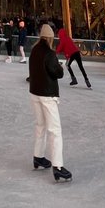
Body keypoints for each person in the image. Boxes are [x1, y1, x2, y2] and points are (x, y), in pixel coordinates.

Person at [28, 24, 72, 182]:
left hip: (34, 93)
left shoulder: (34, 51)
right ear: (50, 38)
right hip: (47, 95)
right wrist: (60, 67)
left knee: (40, 125)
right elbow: (57, 73)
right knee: (55, 130)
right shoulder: (50, 53)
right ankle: (58, 166)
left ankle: (38, 156)